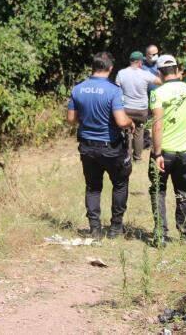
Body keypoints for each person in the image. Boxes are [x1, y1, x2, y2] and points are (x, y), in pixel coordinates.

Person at [67, 52, 135, 240]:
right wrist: (131, 123)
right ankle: (115, 228)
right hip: (111, 147)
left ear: (93, 67)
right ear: (110, 68)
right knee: (120, 184)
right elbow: (121, 121)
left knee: (93, 187)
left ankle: (95, 229)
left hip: (87, 147)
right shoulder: (113, 90)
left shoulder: (78, 89)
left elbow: (71, 120)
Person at [148, 55, 186, 247]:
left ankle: (160, 234)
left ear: (159, 73)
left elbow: (157, 125)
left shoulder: (157, 93)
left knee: (158, 191)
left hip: (165, 152)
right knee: (184, 192)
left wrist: (157, 153)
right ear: (177, 70)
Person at [116, 51, 161, 161]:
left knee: (126, 132)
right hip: (141, 110)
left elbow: (117, 89)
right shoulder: (145, 74)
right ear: (140, 62)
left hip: (126, 108)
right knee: (139, 132)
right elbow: (160, 81)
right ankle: (137, 157)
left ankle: (127, 156)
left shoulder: (121, 73)